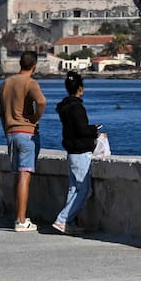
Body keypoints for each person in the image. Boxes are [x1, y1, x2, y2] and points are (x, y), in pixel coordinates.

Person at [0, 51, 46, 232]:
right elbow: (42, 102)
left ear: (20, 63)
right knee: (25, 176)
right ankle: (21, 220)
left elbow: (1, 112)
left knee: (17, 176)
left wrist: (7, 130)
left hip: (11, 133)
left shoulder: (6, 83)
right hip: (26, 133)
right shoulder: (30, 83)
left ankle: (17, 216)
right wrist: (34, 119)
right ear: (34, 66)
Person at [53, 71, 103, 235]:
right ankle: (63, 219)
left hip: (71, 152)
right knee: (84, 189)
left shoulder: (64, 108)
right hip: (81, 152)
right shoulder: (77, 107)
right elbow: (82, 129)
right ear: (80, 88)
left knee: (74, 189)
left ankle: (69, 222)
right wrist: (94, 130)